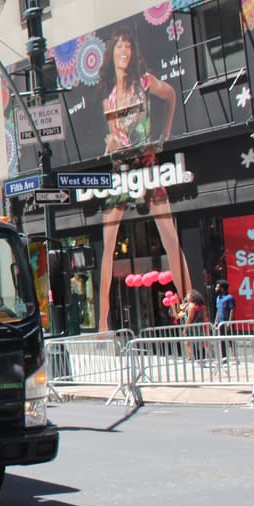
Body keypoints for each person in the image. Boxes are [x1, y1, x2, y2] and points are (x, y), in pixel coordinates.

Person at [96, 29, 186, 330]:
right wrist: (109, 144)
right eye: (119, 46)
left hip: (148, 168)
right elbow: (113, 138)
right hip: (122, 173)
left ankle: (189, 316)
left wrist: (165, 136)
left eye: (128, 46)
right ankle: (102, 325)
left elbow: (171, 94)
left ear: (133, 52)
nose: (124, 51)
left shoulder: (144, 82)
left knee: (171, 239)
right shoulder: (109, 100)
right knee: (107, 246)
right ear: (112, 53)